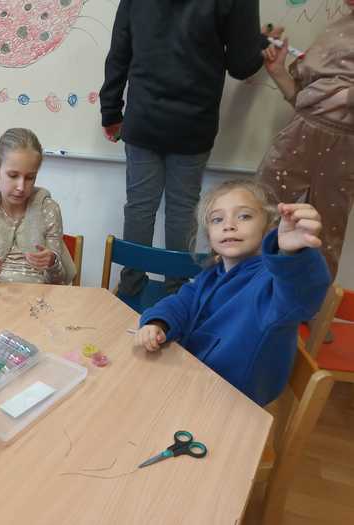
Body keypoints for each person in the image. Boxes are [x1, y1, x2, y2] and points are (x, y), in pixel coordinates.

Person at [100, 0, 269, 295]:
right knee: (183, 211)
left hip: (143, 117)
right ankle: (177, 293)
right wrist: (261, 43)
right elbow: (242, 65)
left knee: (139, 207)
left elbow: (120, 50)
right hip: (194, 122)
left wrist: (111, 111)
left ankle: (130, 288)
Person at [133, 180, 329, 406]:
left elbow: (301, 298)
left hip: (233, 401)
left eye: (244, 216)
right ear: (209, 234)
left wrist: (293, 255)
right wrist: (158, 323)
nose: (229, 225)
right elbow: (182, 302)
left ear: (268, 227)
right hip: (194, 380)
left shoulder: (271, 280)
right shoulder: (212, 273)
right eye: (217, 219)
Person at [257, 1, 354, 280]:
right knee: (260, 216)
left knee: (323, 238)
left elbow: (322, 102)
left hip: (342, 148)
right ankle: (245, 293)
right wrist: (278, 71)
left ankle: (312, 306)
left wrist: (337, 97)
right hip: (297, 136)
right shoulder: (338, 27)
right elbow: (304, 101)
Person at [0, 128, 76, 284]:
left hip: (38, 293)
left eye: (30, 178)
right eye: (13, 175)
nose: (21, 187)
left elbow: (59, 280)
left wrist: (52, 263)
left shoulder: (48, 209)